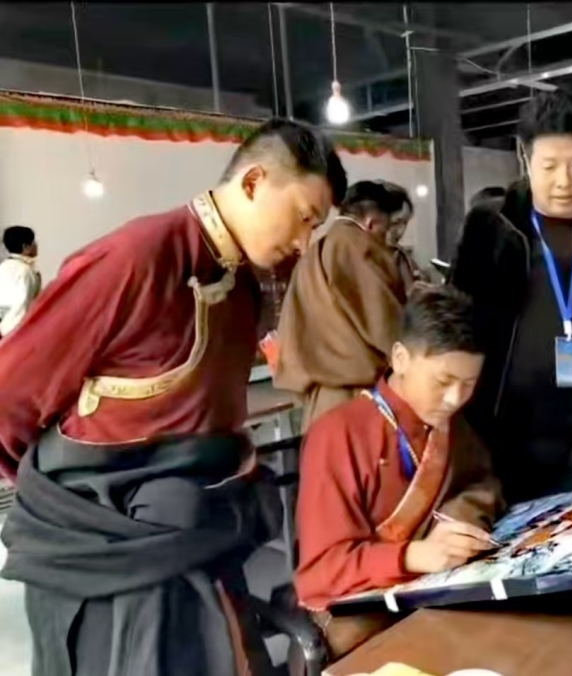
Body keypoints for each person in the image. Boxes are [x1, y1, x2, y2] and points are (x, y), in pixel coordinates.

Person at [0, 119, 348, 676]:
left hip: (194, 528)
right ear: (254, 182)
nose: (305, 242)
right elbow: (11, 390)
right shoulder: (137, 257)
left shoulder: (244, 284)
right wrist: (63, 500)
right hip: (105, 538)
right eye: (305, 217)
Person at [450, 85, 572, 505]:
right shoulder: (489, 226)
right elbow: (457, 325)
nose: (563, 182)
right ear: (524, 157)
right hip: (498, 442)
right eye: (549, 165)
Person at [294, 285, 503, 662]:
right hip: (363, 615)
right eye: (443, 382)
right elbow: (321, 571)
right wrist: (411, 556)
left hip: (434, 595)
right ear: (401, 358)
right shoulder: (338, 434)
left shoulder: (450, 423)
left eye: (469, 385)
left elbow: (481, 481)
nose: (455, 399)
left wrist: (457, 519)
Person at [274, 180, 408, 430]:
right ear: (372, 222)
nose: (387, 238)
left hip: (319, 402)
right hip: (359, 400)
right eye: (387, 228)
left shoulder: (313, 253)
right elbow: (387, 327)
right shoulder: (360, 249)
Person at [0, 225, 41, 337]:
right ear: (25, 247)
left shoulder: (2, 267)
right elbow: (22, 305)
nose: (36, 245)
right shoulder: (25, 271)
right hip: (17, 332)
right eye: (33, 242)